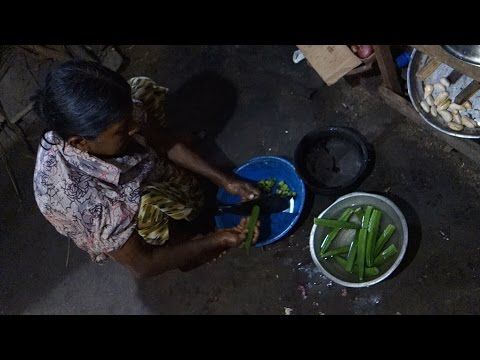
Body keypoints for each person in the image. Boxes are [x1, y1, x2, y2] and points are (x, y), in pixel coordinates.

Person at [33, 60, 260, 278]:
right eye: (122, 129)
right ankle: (180, 246)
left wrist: (223, 180)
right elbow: (142, 266)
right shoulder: (81, 202)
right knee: (181, 207)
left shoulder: (113, 120)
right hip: (120, 210)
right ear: (79, 143)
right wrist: (218, 239)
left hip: (132, 170)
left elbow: (163, 141)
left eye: (130, 116)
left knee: (142, 89)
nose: (135, 126)